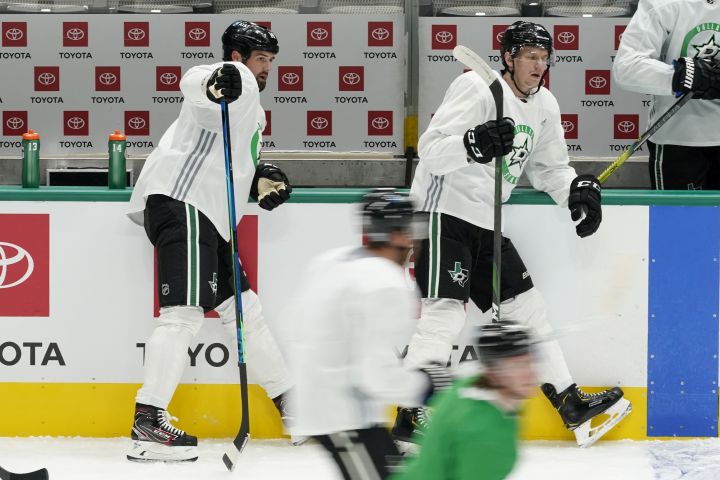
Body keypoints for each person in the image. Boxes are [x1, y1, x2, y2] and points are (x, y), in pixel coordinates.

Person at [392, 21, 631, 448]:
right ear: (508, 58)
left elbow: (551, 168)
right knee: (445, 311)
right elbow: (431, 149)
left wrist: (575, 191)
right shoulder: (476, 89)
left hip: (488, 220)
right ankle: (412, 413)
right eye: (530, 57)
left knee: (528, 308)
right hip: (443, 211)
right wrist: (473, 143)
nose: (539, 66)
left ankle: (569, 403)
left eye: (544, 58)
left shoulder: (545, 106)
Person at [125, 20, 295, 462]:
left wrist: (259, 181)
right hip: (185, 204)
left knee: (244, 311)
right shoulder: (231, 77)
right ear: (237, 56)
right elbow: (197, 81)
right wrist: (215, 83)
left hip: (212, 217)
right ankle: (148, 421)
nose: (267, 69)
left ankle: (291, 404)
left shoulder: (251, 108)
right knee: (181, 315)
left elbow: (229, 158)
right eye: (262, 59)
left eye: (271, 62)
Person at [287, 189, 451, 480]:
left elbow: (299, 328)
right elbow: (375, 375)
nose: (414, 240)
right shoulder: (386, 284)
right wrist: (424, 386)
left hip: (331, 409)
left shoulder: (332, 262)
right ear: (399, 235)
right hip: (345, 416)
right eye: (410, 230)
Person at [393, 321, 536, 480]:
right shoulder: (485, 433)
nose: (529, 372)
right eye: (517, 365)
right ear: (492, 371)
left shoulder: (465, 387)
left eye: (529, 362)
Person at [613, 0, 720, 189]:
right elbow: (627, 67)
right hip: (678, 141)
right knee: (680, 218)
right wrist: (682, 75)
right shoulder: (663, 3)